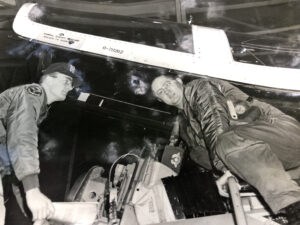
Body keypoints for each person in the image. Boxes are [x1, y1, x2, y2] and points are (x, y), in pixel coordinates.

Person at [151, 75, 300, 225]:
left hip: (280, 132)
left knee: (225, 140)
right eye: (161, 92)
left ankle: (293, 207)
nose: (167, 91)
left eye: (167, 84)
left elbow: (215, 122)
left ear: (178, 81)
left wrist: (227, 171)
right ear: (160, 100)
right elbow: (204, 157)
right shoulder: (185, 127)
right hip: (275, 160)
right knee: (197, 154)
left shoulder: (198, 87)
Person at [0, 62, 82, 225]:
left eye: (72, 84)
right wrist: (32, 190)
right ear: (48, 79)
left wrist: (35, 214)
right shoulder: (33, 93)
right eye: (66, 81)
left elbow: (12, 166)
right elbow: (22, 138)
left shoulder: (37, 106)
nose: (70, 87)